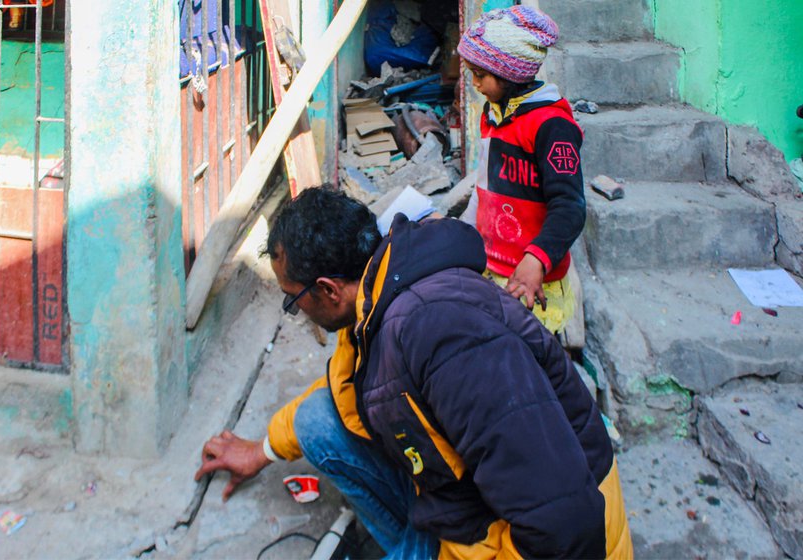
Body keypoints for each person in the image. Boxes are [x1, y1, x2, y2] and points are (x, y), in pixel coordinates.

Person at [195, 187, 632, 559]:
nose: (295, 311)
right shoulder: (379, 291)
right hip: (467, 510)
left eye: (293, 301)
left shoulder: (440, 332)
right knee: (316, 420)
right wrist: (263, 449)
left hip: (532, 543)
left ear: (327, 289)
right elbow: (344, 389)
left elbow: (565, 524)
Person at [457, 6, 585, 335]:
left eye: (480, 75)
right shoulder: (493, 114)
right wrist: (461, 235)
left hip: (532, 281)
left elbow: (569, 207)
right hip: (492, 270)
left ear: (509, 73)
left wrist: (536, 261)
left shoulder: (552, 126)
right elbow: (485, 190)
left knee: (531, 363)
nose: (474, 83)